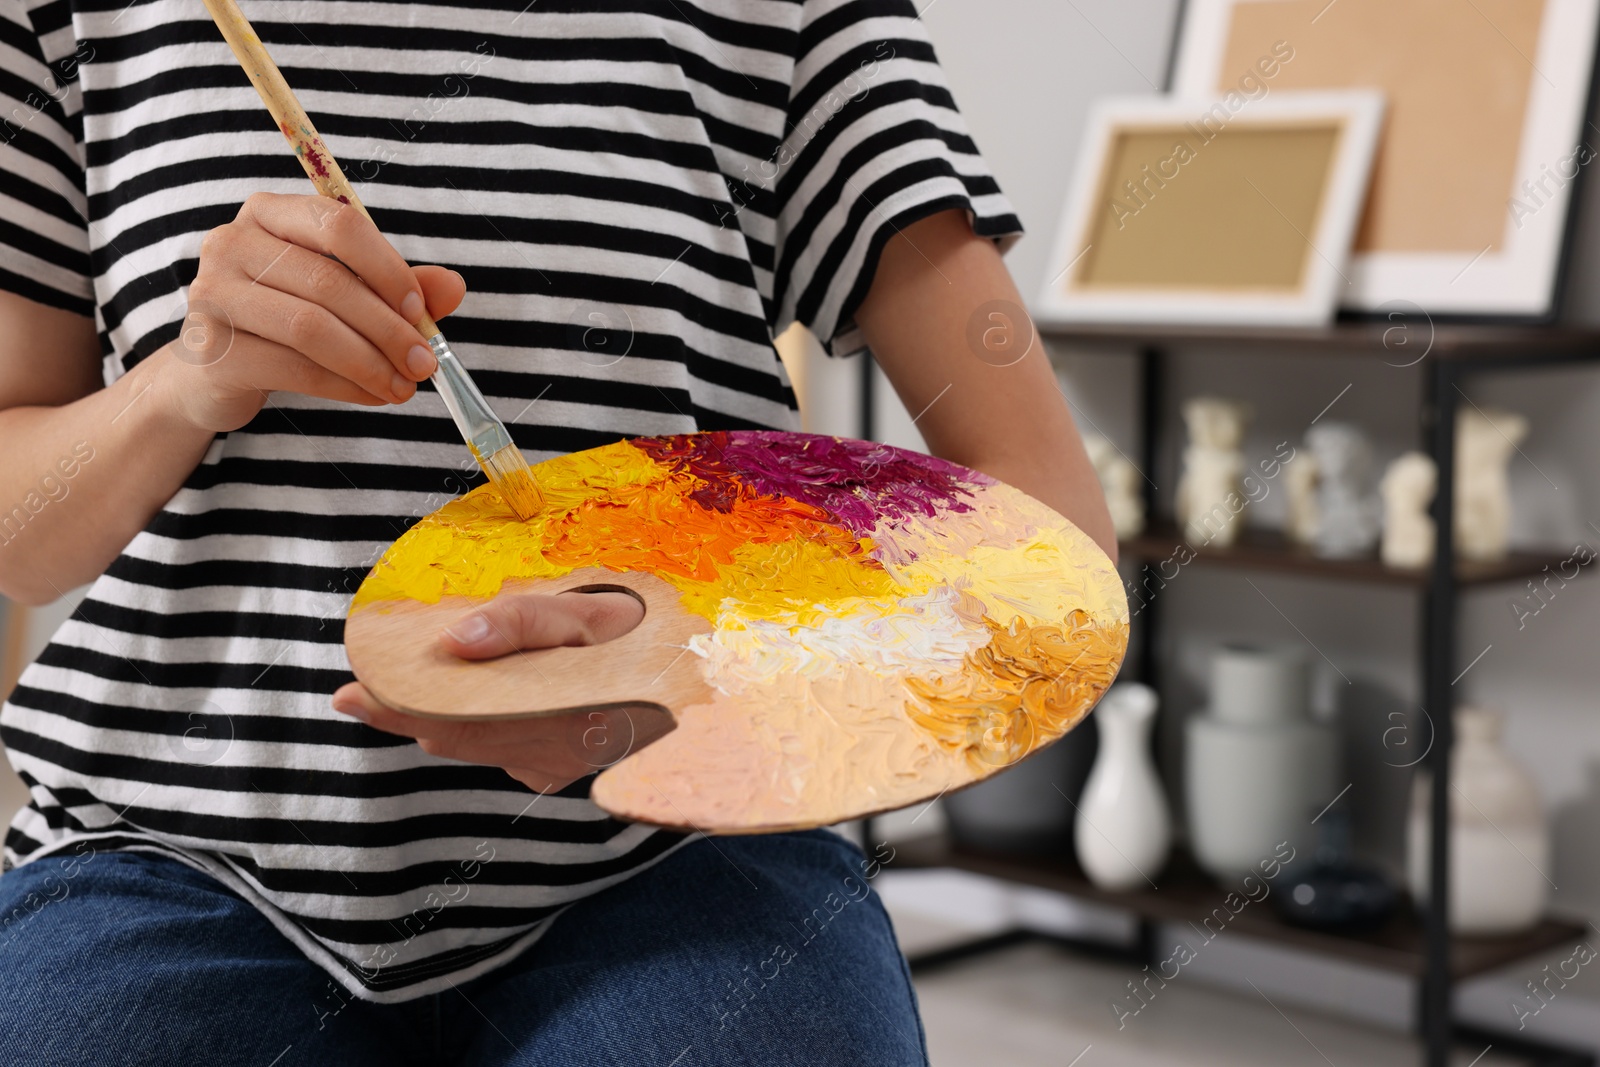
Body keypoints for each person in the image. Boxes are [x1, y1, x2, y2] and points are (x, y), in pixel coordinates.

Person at [0, 0, 1112, 1062]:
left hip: (680, 856)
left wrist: (705, 670)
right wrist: (178, 386)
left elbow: (1051, 532)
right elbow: (22, 543)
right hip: (170, 850)